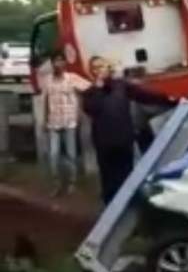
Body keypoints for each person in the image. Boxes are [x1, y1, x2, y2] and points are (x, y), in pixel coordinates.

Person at [81, 56, 177, 205]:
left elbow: (144, 95)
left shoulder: (121, 85)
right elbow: (92, 109)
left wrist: (168, 98)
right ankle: (111, 207)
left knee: (126, 175)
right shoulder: (90, 92)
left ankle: (129, 205)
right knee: (109, 178)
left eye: (101, 66)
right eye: (94, 68)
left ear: (108, 68)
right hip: (104, 143)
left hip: (124, 139)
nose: (98, 70)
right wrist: (98, 88)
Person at [42, 50, 90, 197]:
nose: (59, 63)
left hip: (70, 121)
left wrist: (79, 111)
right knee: (53, 154)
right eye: (56, 61)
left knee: (71, 154)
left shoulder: (72, 78)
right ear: (52, 63)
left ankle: (72, 183)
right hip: (53, 121)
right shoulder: (48, 80)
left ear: (65, 63)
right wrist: (44, 119)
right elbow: (46, 100)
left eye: (61, 60)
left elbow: (88, 89)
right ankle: (56, 184)